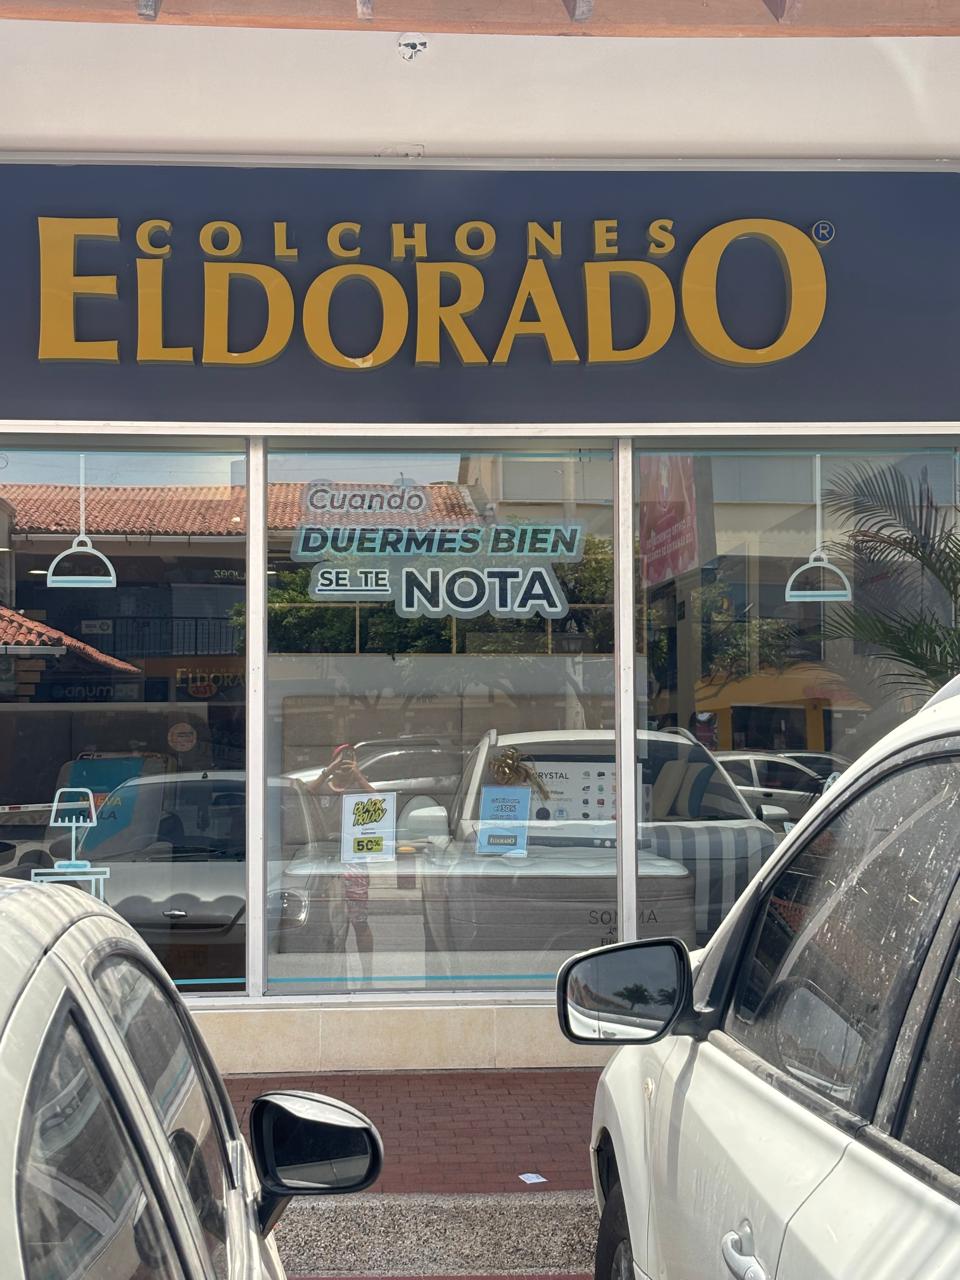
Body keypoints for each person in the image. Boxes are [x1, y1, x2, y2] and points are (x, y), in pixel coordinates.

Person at [307, 744, 375, 980]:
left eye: (350, 759)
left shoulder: (359, 789)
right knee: (331, 923)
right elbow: (305, 793)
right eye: (342, 759)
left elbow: (379, 803)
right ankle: (337, 976)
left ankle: (368, 976)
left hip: (354, 862)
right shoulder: (323, 788)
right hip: (326, 862)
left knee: (359, 921)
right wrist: (328, 770)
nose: (346, 763)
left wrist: (359, 775)